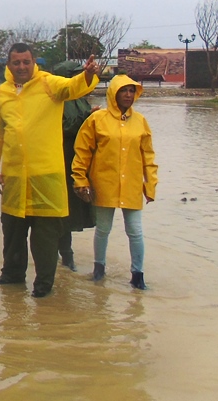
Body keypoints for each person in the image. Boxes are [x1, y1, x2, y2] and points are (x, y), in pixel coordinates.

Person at [0, 44, 99, 297]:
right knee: (12, 228)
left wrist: (88, 74)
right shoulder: (2, 93)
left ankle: (43, 286)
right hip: (13, 174)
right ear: (9, 64)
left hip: (46, 175)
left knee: (45, 235)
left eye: (26, 62)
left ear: (34, 62)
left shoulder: (49, 84)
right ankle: (12, 275)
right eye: (16, 62)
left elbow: (74, 87)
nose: (22, 67)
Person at [71, 75, 158, 290]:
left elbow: (148, 156)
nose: (128, 95)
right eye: (123, 91)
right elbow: (82, 151)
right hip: (104, 183)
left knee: (135, 231)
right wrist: (80, 179)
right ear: (114, 93)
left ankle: (137, 275)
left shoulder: (141, 122)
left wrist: (151, 185)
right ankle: (99, 270)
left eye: (131, 91)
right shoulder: (97, 120)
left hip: (131, 185)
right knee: (103, 229)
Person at [54, 60, 97, 270]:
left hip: (77, 162)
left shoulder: (80, 97)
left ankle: (66, 257)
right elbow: (62, 127)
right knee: (60, 211)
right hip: (60, 160)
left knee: (70, 211)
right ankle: (60, 256)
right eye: (77, 74)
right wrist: (86, 117)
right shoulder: (57, 98)